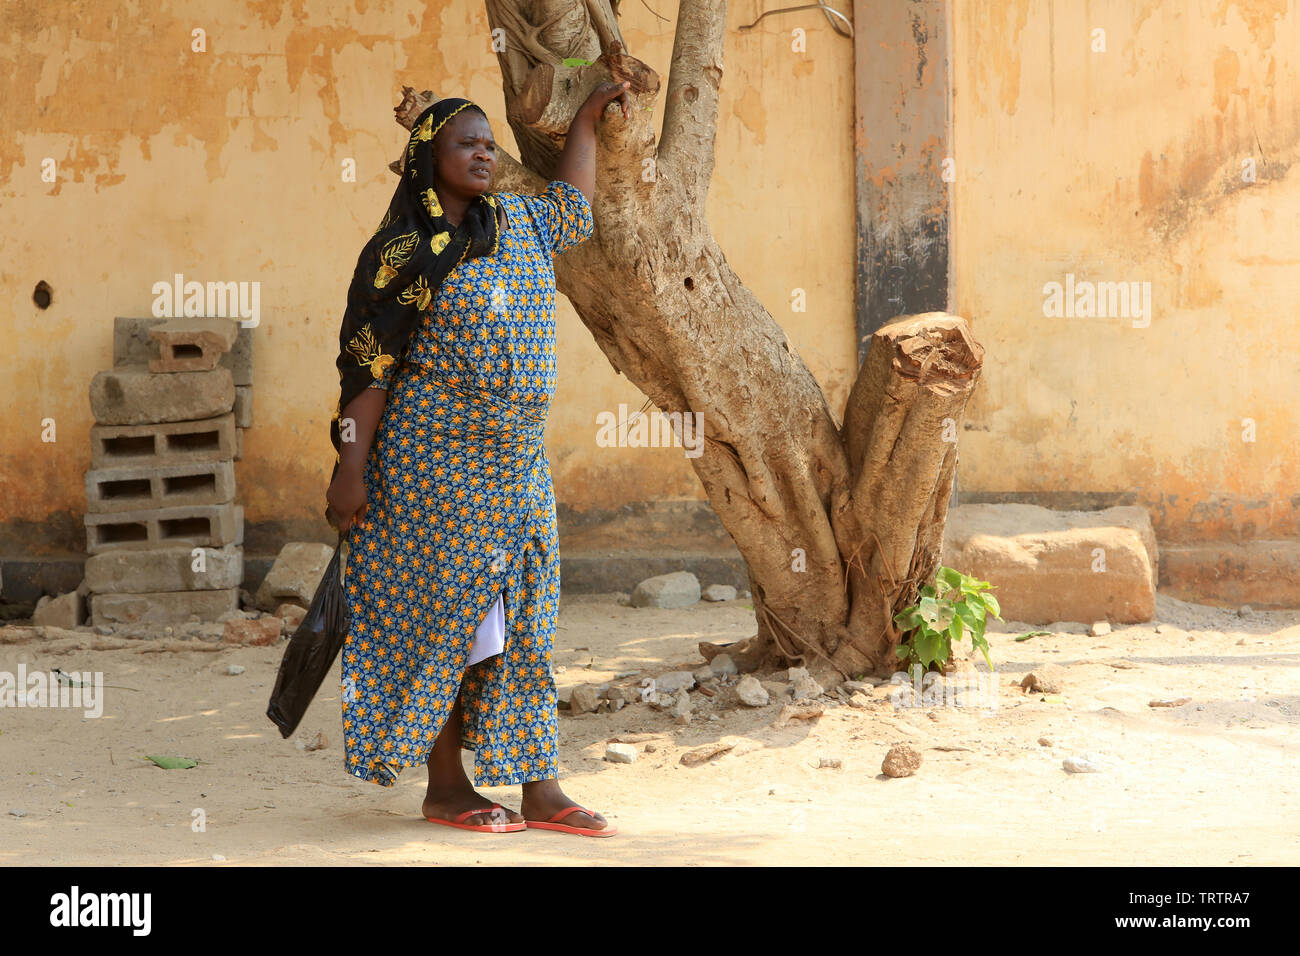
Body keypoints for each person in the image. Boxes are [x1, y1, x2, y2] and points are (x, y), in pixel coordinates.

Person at [325, 82, 630, 837]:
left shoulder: (521, 220)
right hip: (430, 464)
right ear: (427, 159)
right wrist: (350, 467)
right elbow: (367, 367)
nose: (485, 152)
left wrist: (586, 120)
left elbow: (574, 199)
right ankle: (446, 785)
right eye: (467, 143)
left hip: (518, 468)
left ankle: (541, 789)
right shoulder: (400, 253)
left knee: (525, 619)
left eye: (489, 142)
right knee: (445, 621)